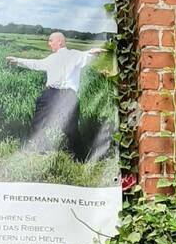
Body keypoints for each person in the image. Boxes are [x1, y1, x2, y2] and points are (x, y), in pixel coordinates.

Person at [6, 32, 107, 160]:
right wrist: (18, 61)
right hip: (50, 93)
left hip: (67, 95)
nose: (49, 44)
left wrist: (94, 52)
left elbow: (86, 56)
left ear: (60, 41)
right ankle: (40, 151)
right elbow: (36, 64)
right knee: (38, 122)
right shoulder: (51, 58)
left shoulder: (74, 54)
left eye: (50, 41)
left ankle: (81, 158)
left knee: (70, 129)